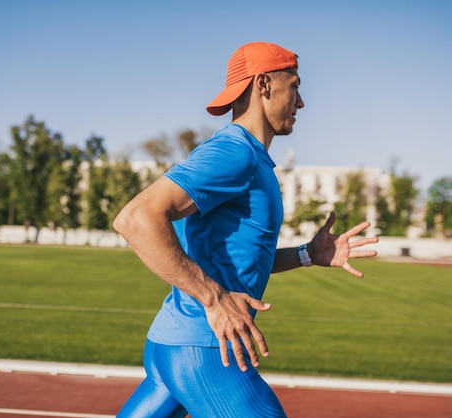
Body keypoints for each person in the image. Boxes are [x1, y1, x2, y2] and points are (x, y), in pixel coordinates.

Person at [113, 41, 379, 417]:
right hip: (205, 350)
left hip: (174, 344)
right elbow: (136, 218)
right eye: (296, 87)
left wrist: (307, 255)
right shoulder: (234, 152)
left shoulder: (253, 159)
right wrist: (214, 298)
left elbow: (239, 259)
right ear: (264, 85)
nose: (301, 103)